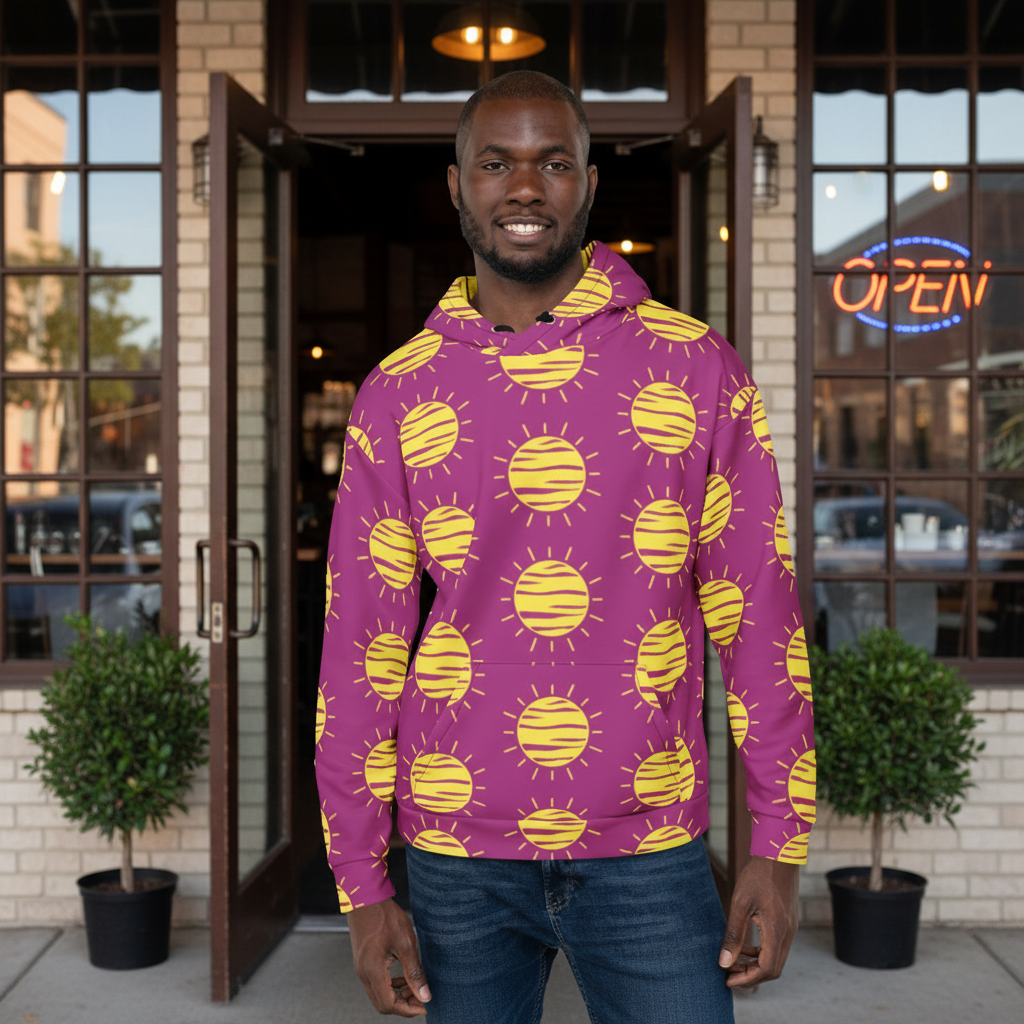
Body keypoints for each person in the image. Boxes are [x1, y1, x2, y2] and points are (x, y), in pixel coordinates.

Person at [316, 70, 815, 1023]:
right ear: (457, 186)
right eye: (496, 162)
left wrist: (778, 845)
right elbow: (362, 650)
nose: (526, 188)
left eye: (554, 162)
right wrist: (362, 885)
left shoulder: (695, 365)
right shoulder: (398, 391)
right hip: (456, 855)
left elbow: (758, 611)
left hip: (649, 845)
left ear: (589, 185)